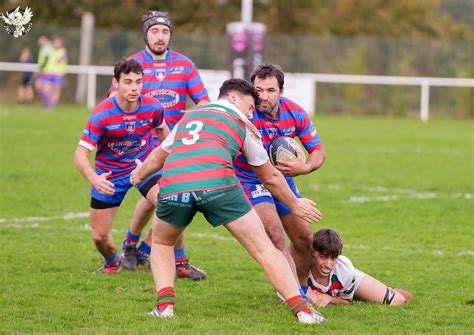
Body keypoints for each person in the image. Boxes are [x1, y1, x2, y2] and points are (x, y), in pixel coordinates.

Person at [130, 78, 326, 324]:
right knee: (263, 248)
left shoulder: (190, 115)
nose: (252, 111)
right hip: (217, 185)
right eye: (250, 105)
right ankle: (304, 312)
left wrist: (138, 175)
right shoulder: (241, 122)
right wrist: (296, 204)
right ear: (233, 98)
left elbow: (158, 156)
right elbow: (271, 177)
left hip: (175, 185)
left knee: (161, 241)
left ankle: (165, 307)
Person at [108, 10, 210, 279]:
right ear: (145, 34)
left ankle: (136, 246)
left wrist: (196, 117)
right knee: (172, 197)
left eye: (165, 31)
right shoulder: (132, 65)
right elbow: (112, 102)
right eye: (154, 31)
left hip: (177, 145)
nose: (160, 36)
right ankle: (178, 261)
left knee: (161, 198)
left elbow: (203, 103)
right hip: (144, 146)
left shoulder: (185, 65)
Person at [234, 63, 326, 294]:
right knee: (275, 235)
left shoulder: (294, 112)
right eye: (258, 90)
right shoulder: (245, 115)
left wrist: (303, 168)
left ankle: (302, 288)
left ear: (281, 91)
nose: (263, 96)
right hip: (250, 181)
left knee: (305, 239)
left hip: (282, 181)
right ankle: (293, 294)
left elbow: (318, 151)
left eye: (270, 90)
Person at [73, 58, 169, 273]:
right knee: (99, 237)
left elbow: (162, 130)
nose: (134, 87)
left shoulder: (153, 106)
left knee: (170, 205)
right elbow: (80, 154)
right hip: (110, 174)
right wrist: (94, 178)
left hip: (142, 166)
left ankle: (145, 249)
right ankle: (112, 262)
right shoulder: (102, 114)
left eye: (138, 82)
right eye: (128, 82)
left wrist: (171, 159)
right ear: (116, 83)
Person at [306, 228, 413, 307]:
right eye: (323, 257)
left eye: (333, 258)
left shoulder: (344, 270)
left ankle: (387, 291)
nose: (329, 264)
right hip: (341, 285)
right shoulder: (301, 265)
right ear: (312, 253)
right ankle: (357, 293)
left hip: (351, 281)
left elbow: (346, 301)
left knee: (398, 301)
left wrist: (330, 298)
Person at [38, 36, 67, 110]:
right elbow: (46, 61)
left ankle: (51, 106)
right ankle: (48, 103)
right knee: (45, 89)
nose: (56, 44)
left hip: (58, 74)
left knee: (56, 90)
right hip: (49, 73)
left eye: (58, 42)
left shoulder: (62, 51)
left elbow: (59, 60)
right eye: (55, 42)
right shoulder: (50, 51)